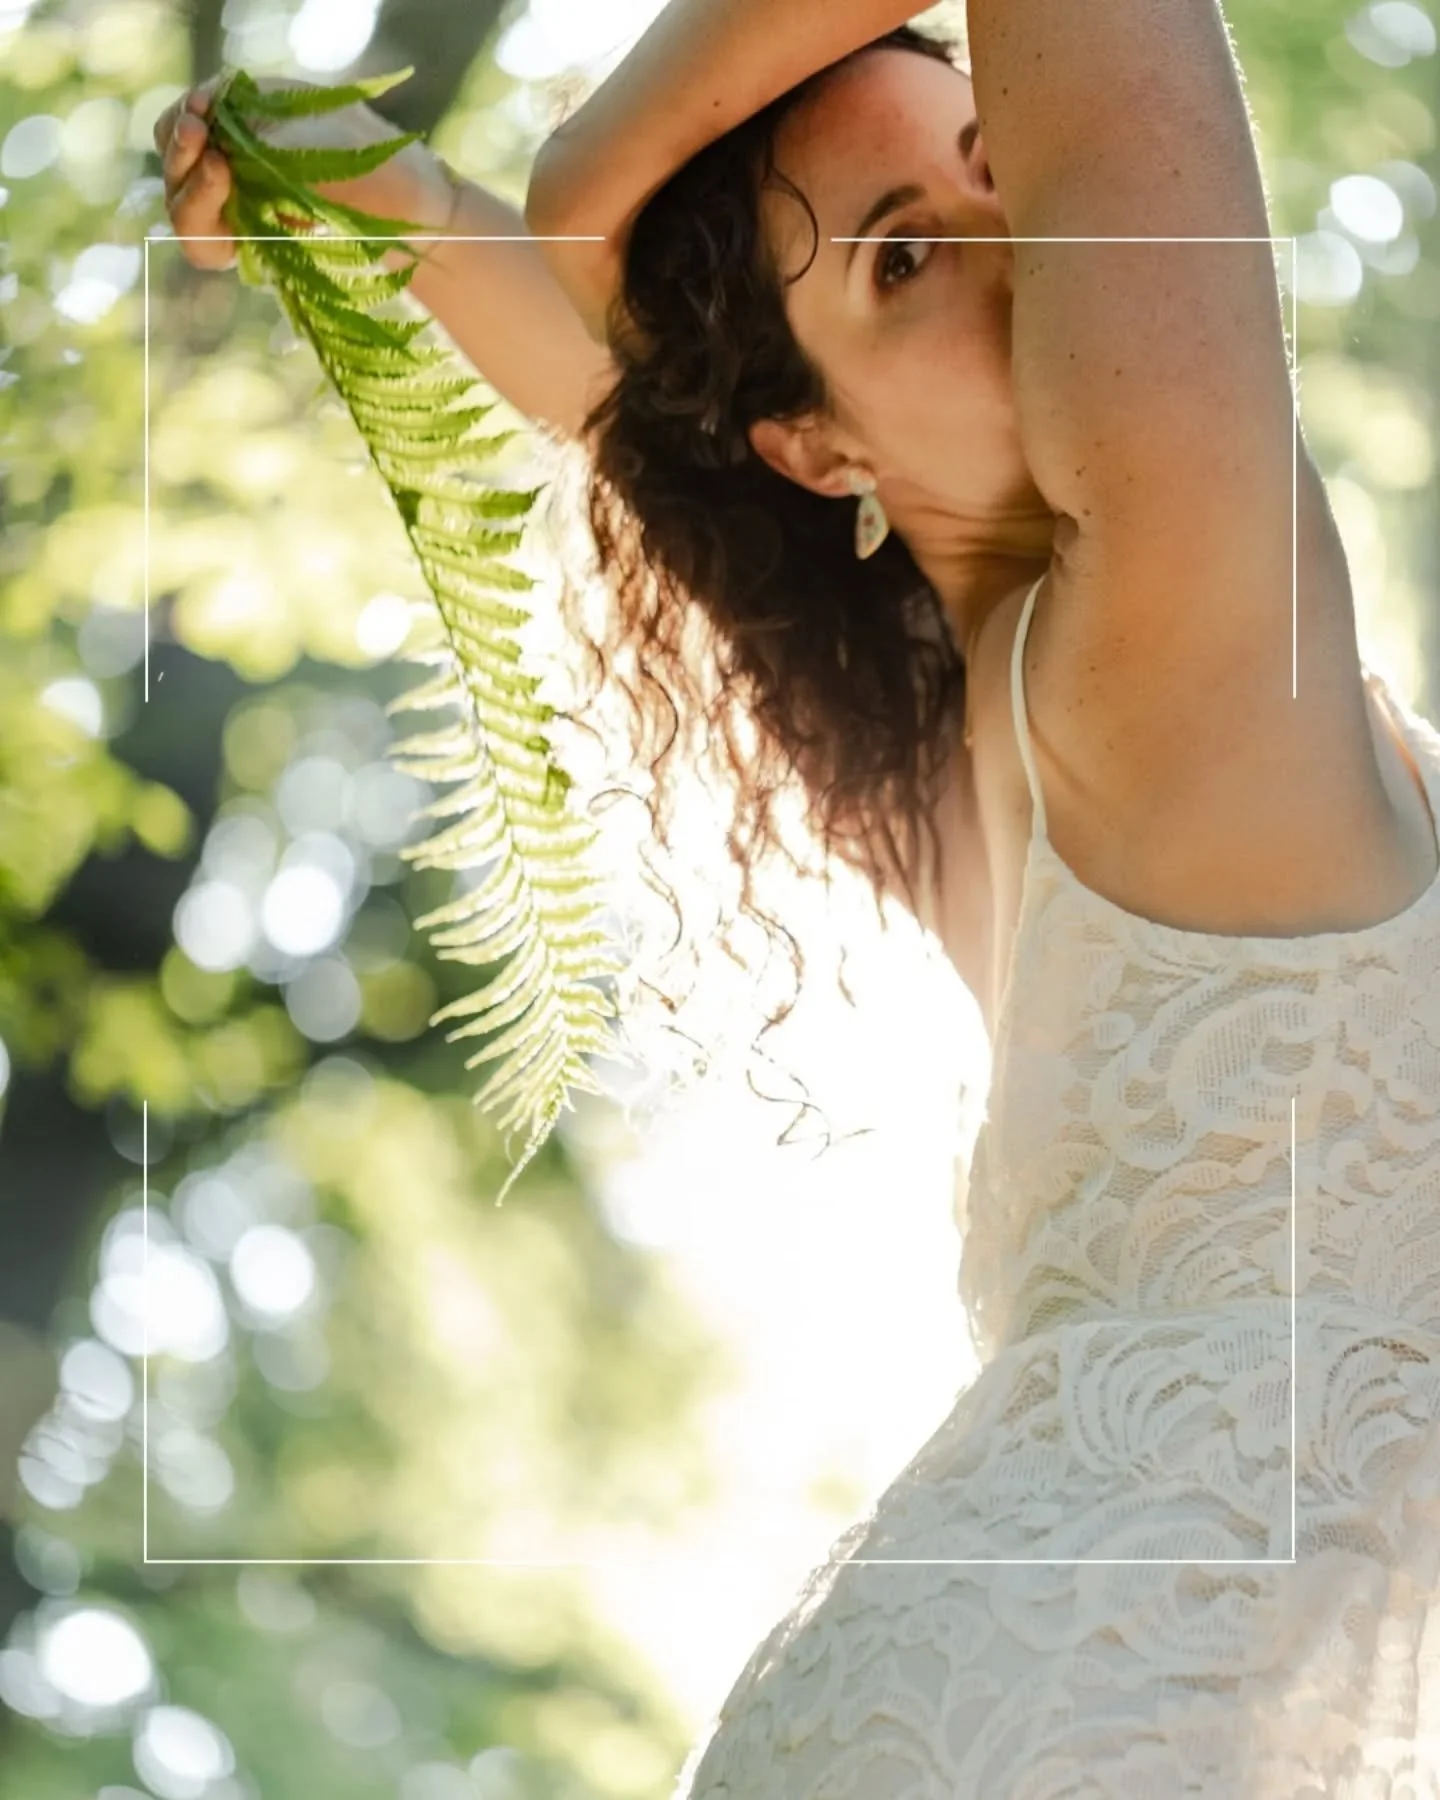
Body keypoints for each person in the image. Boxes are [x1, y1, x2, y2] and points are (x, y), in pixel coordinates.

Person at [158, 0, 1440, 1790]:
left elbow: (646, 369)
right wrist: (548, 176)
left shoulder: (955, 757)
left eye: (1007, 157)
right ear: (820, 453)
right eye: (908, 251)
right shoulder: (1175, 603)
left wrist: (431, 192)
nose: (1014, 231)